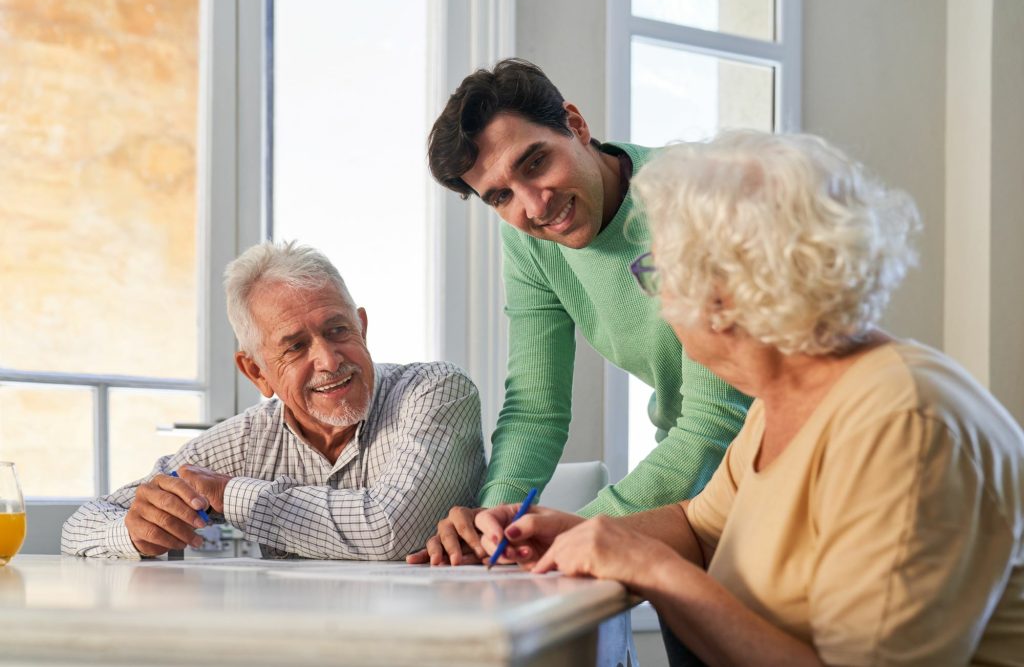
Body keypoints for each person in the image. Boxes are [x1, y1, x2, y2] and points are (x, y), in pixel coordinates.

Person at [475, 131, 1024, 665]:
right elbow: (699, 526)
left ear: (725, 297)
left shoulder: (903, 425)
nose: (660, 303)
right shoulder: (780, 401)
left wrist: (651, 568)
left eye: (656, 274)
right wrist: (581, 533)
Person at [408, 58, 751, 566]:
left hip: (778, 474)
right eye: (501, 196)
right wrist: (495, 525)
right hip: (691, 502)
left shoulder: (690, 196)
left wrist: (575, 533)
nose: (535, 205)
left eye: (534, 163)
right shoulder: (529, 242)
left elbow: (718, 416)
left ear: (576, 124)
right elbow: (536, 407)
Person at [62, 241, 486, 560]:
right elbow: (79, 526)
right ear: (256, 372)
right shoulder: (245, 440)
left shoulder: (433, 391)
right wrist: (135, 532)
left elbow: (393, 528)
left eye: (338, 330)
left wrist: (232, 496)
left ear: (362, 327)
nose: (328, 360)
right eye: (296, 346)